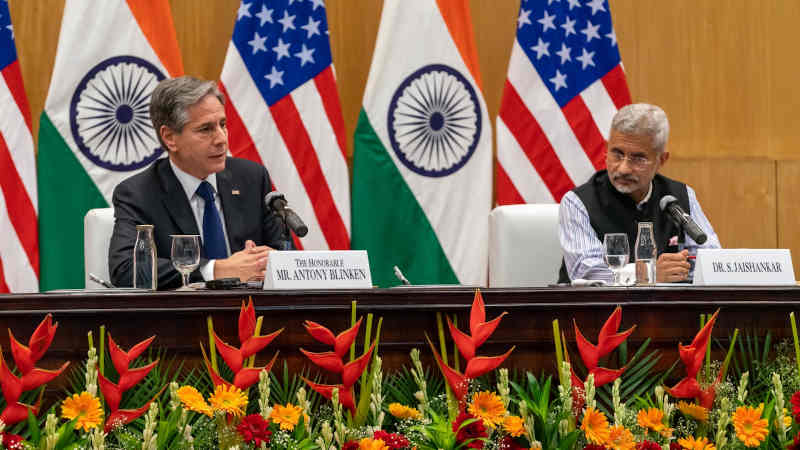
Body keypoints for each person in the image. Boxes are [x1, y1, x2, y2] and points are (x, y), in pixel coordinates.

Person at [108, 76, 289, 289]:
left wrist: (271, 261)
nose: (221, 139)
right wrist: (216, 270)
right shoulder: (139, 193)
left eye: (223, 125)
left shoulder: (252, 178)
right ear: (169, 138)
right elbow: (127, 269)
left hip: (252, 314)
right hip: (182, 319)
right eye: (206, 129)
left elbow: (285, 252)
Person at [558, 103, 720, 283]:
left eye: (638, 158)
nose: (624, 168)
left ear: (661, 160)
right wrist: (648, 275)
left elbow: (711, 262)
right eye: (617, 154)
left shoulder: (680, 196)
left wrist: (678, 270)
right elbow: (586, 273)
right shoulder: (578, 202)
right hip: (598, 310)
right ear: (606, 149)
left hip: (665, 309)